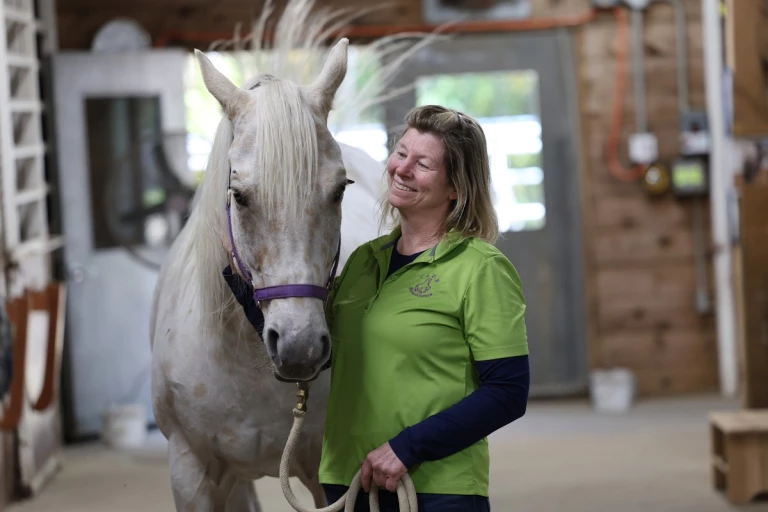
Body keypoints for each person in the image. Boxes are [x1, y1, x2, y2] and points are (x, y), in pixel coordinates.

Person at [225, 105, 530, 511]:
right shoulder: (363, 262)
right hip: (348, 483)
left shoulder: (480, 268)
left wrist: (407, 448)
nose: (402, 169)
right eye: (401, 153)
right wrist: (237, 271)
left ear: (456, 188)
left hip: (437, 488)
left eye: (423, 164)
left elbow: (508, 392)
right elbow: (323, 354)